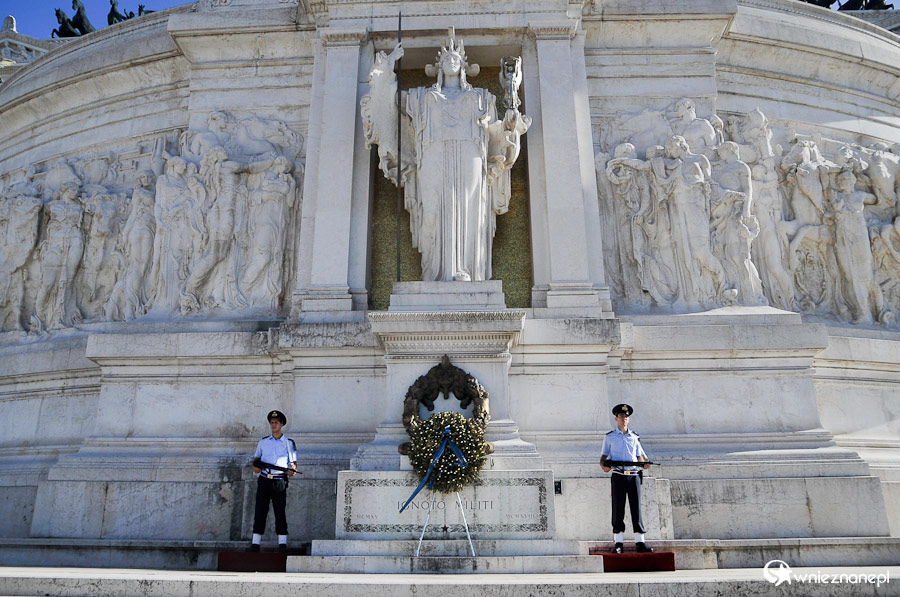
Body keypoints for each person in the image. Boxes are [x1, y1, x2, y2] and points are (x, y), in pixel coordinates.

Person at [601, 403, 653, 554]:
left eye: (626, 417)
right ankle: (618, 542)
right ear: (616, 418)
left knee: (636, 508)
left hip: (633, 475)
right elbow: (604, 457)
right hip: (618, 475)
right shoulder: (610, 437)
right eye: (621, 416)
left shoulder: (634, 437)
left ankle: (640, 542)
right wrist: (604, 466)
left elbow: (640, 455)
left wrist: (644, 463)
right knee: (618, 508)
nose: (624, 419)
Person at [249, 410, 297, 552]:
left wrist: (292, 470)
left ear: (282, 424)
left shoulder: (288, 443)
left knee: (279, 512)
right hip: (264, 479)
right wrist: (256, 468)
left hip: (279, 481)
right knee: (260, 511)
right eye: (272, 423)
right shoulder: (263, 442)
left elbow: (294, 465)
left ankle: (282, 543)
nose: (273, 425)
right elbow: (256, 462)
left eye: (276, 422)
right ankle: (255, 543)